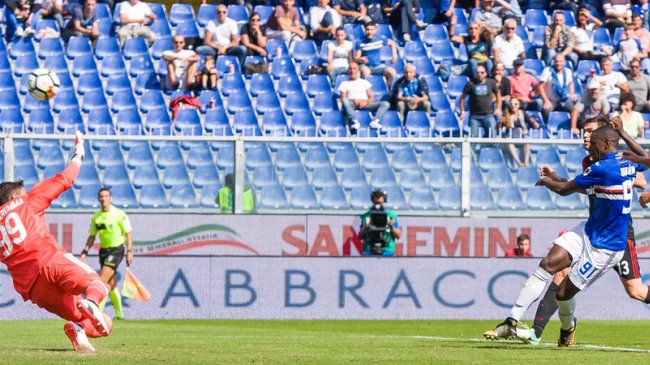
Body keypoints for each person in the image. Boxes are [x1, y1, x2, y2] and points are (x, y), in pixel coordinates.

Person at [484, 121, 645, 347]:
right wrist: (623, 134)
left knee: (563, 294)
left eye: (594, 141)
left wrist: (547, 181)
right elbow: (642, 160)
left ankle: (568, 327)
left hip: (607, 247)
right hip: (589, 231)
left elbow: (565, 190)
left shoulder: (601, 167)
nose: (590, 146)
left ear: (607, 142)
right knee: (548, 264)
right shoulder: (623, 160)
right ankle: (511, 321)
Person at [0, 131, 112, 352]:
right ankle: (91, 302)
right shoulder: (27, 201)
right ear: (14, 198)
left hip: (33, 289)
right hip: (50, 261)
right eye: (21, 191)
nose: (25, 192)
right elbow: (66, 179)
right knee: (97, 285)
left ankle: (79, 329)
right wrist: (78, 154)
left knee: (104, 325)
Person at [79, 187, 133, 321]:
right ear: (99, 199)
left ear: (110, 198)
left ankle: (96, 312)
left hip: (116, 250)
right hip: (103, 252)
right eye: (101, 197)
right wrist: (84, 252)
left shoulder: (119, 214)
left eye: (106, 196)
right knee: (111, 284)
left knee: (101, 280)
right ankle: (120, 314)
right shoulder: (96, 217)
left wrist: (129, 251)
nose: (103, 199)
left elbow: (128, 234)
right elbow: (92, 236)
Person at [338, 62, 390, 130]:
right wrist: (353, 100)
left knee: (385, 104)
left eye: (354, 69)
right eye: (350, 69)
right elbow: (343, 98)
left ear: (358, 70)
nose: (352, 71)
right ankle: (354, 121)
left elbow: (371, 98)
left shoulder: (364, 82)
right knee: (345, 101)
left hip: (365, 104)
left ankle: (375, 121)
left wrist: (366, 102)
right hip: (352, 104)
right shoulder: (344, 83)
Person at [459, 64, 501, 138]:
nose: (479, 74)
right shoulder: (470, 84)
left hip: (488, 115)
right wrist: (462, 111)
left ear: (486, 73)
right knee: (473, 138)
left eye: (482, 72)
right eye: (477, 73)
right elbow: (462, 98)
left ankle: (491, 149)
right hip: (474, 116)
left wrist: (498, 108)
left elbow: (498, 95)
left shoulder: (491, 83)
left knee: (493, 136)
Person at [354, 21, 398, 89]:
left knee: (392, 72)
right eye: (368, 29)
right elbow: (356, 58)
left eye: (372, 30)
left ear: (375, 30)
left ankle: (388, 90)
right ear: (365, 30)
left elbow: (392, 43)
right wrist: (360, 59)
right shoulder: (360, 41)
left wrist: (394, 55)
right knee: (366, 72)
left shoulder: (380, 39)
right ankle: (366, 92)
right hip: (366, 66)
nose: (369, 32)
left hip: (378, 65)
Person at [357, 189, 401, 256]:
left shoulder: (392, 215)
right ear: (372, 199)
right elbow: (360, 236)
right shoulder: (365, 216)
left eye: (380, 196)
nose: (378, 198)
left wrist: (391, 226)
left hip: (387, 250)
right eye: (376, 196)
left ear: (384, 199)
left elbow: (398, 235)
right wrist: (365, 227)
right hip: (369, 250)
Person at [498, 97, 539, 167]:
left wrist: (535, 124)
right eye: (511, 104)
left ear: (518, 105)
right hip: (511, 136)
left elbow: (531, 124)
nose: (513, 106)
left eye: (515, 104)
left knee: (527, 140)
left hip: (521, 136)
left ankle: (526, 162)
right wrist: (500, 123)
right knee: (509, 142)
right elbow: (499, 128)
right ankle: (518, 162)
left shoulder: (522, 114)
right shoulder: (506, 114)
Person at [538, 54, 578, 122]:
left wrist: (572, 93)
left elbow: (571, 83)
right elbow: (540, 86)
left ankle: (573, 128)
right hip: (551, 99)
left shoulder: (568, 71)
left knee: (575, 110)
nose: (558, 63)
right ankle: (547, 129)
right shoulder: (548, 71)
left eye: (560, 61)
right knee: (546, 111)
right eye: (556, 61)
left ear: (564, 62)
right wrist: (546, 101)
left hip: (563, 98)